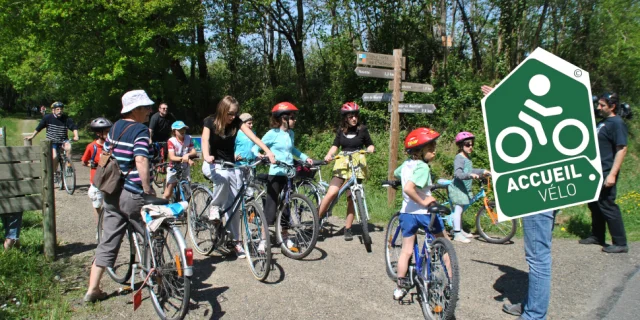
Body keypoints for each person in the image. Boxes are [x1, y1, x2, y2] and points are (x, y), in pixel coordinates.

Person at [481, 85, 555, 320]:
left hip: (537, 188)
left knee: (538, 258)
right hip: (551, 185)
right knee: (539, 255)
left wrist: (502, 101)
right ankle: (531, 305)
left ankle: (534, 314)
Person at [84, 89, 155, 303]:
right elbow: (141, 160)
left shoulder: (114, 127)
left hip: (113, 192)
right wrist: (147, 188)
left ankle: (93, 289)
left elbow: (107, 154)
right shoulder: (140, 130)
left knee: (109, 239)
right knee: (151, 234)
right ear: (136, 110)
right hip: (132, 192)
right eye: (146, 107)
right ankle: (155, 279)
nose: (150, 111)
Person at [201, 96, 275, 258]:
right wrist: (206, 155)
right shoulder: (210, 121)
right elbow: (205, 140)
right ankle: (215, 206)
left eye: (235, 113)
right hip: (212, 164)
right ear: (222, 110)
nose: (233, 117)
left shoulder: (236, 123)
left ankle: (236, 241)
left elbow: (254, 138)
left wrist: (268, 151)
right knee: (223, 180)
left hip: (229, 165)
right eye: (230, 113)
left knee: (235, 206)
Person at [392, 127, 449, 300]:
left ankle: (400, 287)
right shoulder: (423, 168)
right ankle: (451, 283)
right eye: (431, 148)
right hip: (424, 212)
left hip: (407, 213)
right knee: (445, 245)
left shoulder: (407, 164)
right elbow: (409, 188)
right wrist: (424, 201)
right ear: (419, 151)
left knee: (406, 251)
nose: (434, 151)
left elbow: (397, 173)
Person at [252, 102, 314, 250]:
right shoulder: (272, 134)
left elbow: (293, 149)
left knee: (286, 206)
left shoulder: (291, 134)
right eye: (292, 117)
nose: (295, 120)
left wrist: (305, 158)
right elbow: (255, 147)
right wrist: (261, 154)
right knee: (271, 208)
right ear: (283, 118)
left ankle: (285, 238)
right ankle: (263, 240)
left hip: (288, 174)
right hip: (275, 174)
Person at [317, 102, 375, 241]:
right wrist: (329, 155)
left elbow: (370, 143)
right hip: (342, 162)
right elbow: (335, 146)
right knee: (332, 192)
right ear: (345, 118)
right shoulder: (341, 130)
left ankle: (348, 228)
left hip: (357, 164)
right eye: (350, 116)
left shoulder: (363, 129)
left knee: (352, 198)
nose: (354, 119)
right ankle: (316, 219)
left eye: (355, 116)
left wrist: (371, 148)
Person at [580, 92, 629, 253]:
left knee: (607, 204)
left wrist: (612, 174)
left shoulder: (617, 123)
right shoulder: (604, 122)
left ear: (612, 106)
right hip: (596, 170)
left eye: (602, 105)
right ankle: (597, 235)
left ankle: (620, 242)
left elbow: (622, 149)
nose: (599, 107)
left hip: (606, 170)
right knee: (594, 204)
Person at [447, 131, 490, 243]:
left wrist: (482, 171)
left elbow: (470, 170)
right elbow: (458, 173)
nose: (470, 146)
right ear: (461, 145)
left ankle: (460, 229)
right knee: (458, 209)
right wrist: (469, 175)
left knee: (461, 210)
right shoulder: (459, 158)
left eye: (472, 144)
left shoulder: (467, 158)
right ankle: (456, 234)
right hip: (458, 188)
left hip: (464, 188)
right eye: (467, 144)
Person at [25, 102, 79, 181]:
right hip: (52, 141)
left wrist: (76, 135)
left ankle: (68, 166)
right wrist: (32, 136)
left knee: (69, 147)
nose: (59, 111)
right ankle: (54, 173)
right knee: (54, 157)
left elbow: (73, 127)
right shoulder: (47, 118)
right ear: (53, 110)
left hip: (63, 140)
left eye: (61, 109)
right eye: (57, 109)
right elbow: (39, 128)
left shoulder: (66, 118)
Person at [81, 117, 113, 226]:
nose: (110, 134)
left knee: (112, 206)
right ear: (99, 133)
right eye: (107, 132)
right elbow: (84, 162)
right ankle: (100, 228)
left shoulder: (112, 146)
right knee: (97, 205)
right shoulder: (92, 146)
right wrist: (93, 164)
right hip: (97, 181)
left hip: (110, 181)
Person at [163, 121, 196, 200]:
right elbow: (171, 157)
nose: (182, 131)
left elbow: (194, 151)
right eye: (180, 129)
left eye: (184, 129)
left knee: (188, 191)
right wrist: (185, 159)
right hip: (174, 167)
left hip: (185, 168)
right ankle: (162, 206)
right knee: (168, 193)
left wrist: (187, 155)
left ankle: (188, 209)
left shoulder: (188, 138)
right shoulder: (171, 141)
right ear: (174, 131)